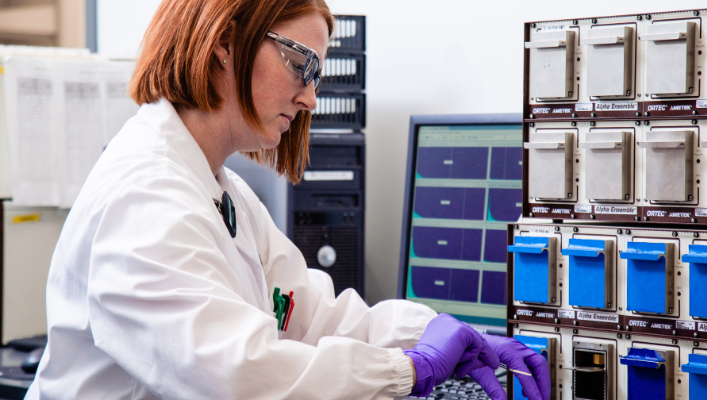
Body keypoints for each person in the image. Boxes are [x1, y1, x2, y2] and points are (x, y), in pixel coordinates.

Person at [24, 0, 549, 399]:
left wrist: (437, 332)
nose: (311, 97)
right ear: (225, 42)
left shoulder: (222, 192)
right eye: (302, 64)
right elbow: (240, 374)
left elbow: (312, 316)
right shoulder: (144, 197)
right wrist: (408, 370)